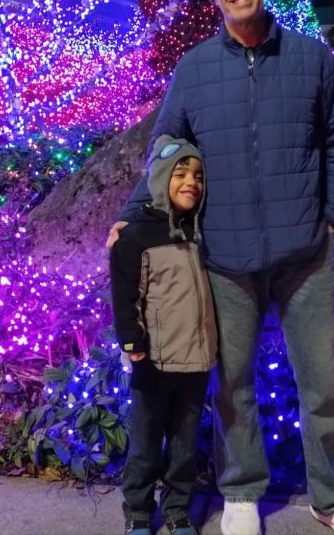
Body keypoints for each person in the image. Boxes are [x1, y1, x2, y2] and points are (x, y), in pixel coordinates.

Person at [107, 0, 334, 535]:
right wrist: (133, 213)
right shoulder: (196, 69)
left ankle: (331, 499)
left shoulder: (312, 60)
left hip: (306, 253)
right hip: (225, 256)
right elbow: (164, 149)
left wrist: (333, 212)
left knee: (322, 384)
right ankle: (241, 491)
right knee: (232, 384)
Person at [111, 135, 217, 535]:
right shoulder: (136, 236)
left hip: (196, 362)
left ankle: (177, 510)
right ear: (159, 178)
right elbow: (125, 295)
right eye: (180, 173)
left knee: (184, 446)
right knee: (145, 443)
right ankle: (138, 511)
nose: (191, 182)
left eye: (198, 176)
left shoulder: (199, 233)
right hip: (153, 361)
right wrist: (131, 341)